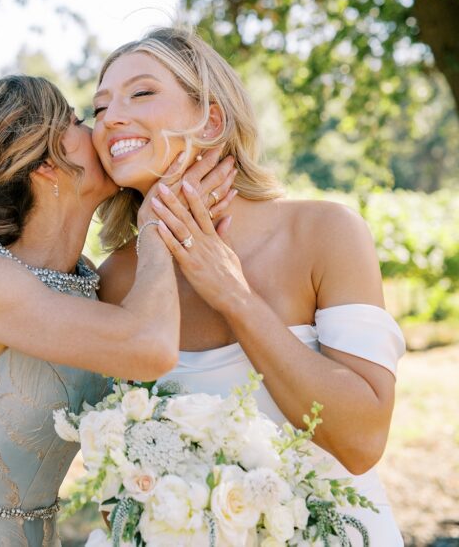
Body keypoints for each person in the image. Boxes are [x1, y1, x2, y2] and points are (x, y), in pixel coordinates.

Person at [0, 74, 235, 546]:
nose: (101, 131)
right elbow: (148, 346)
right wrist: (156, 227)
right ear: (47, 163)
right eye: (79, 120)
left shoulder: (86, 279)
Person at [91, 27, 405, 544]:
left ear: (210, 119)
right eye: (99, 108)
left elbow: (362, 440)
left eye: (141, 93)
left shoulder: (325, 233)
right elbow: (116, 491)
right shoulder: (116, 280)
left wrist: (232, 293)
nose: (110, 119)